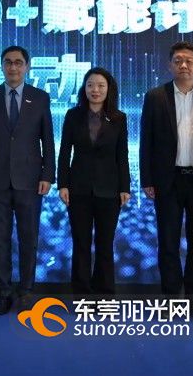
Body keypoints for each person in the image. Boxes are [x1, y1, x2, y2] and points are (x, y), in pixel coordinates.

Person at [139, 41, 193, 315]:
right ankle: (170, 297)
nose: (184, 65)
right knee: (168, 243)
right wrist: (147, 179)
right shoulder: (156, 97)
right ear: (170, 65)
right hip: (168, 180)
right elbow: (146, 142)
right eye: (178, 60)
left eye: (189, 61)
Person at [0, 45, 55, 316]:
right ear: (1, 66)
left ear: (27, 67)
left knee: (28, 238)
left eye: (18, 62)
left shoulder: (40, 98)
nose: (13, 67)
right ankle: (3, 292)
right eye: (8, 62)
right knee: (0, 239)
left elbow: (48, 140)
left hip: (30, 181)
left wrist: (47, 175)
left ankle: (26, 292)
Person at [57, 67, 130, 296]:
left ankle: (105, 294)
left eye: (100, 85)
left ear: (109, 89)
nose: (95, 90)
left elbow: (122, 155)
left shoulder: (119, 118)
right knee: (81, 244)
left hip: (109, 190)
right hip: (78, 189)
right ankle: (82, 295)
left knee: (105, 245)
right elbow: (64, 152)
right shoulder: (73, 115)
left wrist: (125, 187)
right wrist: (63, 184)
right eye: (90, 85)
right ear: (84, 88)